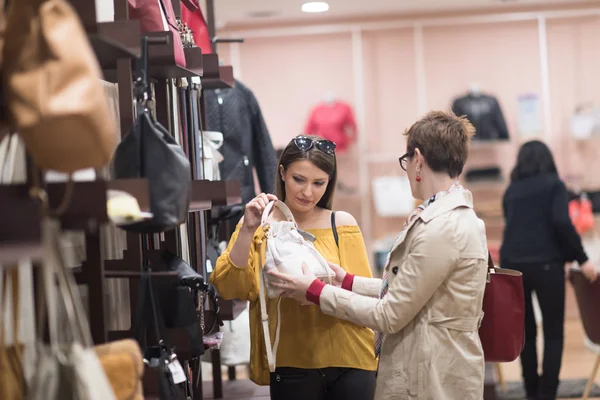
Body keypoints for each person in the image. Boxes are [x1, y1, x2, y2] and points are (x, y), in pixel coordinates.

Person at [269, 111, 488, 400]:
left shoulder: (441, 227)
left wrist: (316, 292)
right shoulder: (446, 216)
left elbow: (390, 314)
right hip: (433, 363)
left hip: (431, 374)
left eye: (406, 161)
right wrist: (348, 281)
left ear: (418, 159)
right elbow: (412, 289)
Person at [209, 135, 377, 400]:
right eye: (299, 179)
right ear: (282, 173)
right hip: (291, 361)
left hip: (351, 358)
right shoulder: (259, 224)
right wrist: (247, 230)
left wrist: (317, 293)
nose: (308, 192)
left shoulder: (341, 224)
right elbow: (229, 288)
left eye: (319, 183)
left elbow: (363, 300)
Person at [500, 140, 598, 400]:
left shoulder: (511, 190)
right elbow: (561, 224)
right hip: (546, 265)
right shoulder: (554, 185)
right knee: (554, 333)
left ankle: (531, 392)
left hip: (513, 267)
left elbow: (515, 227)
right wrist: (581, 258)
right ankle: (547, 394)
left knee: (526, 334)